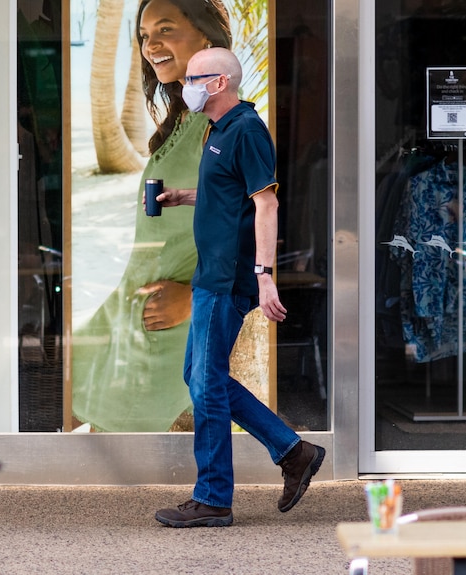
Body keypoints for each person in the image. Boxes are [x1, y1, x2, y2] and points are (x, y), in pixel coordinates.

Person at [153, 48, 325, 527]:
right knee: (200, 376)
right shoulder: (219, 129)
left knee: (206, 383)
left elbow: (266, 204)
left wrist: (264, 275)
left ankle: (213, 498)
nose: (183, 83)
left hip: (228, 277)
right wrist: (187, 196)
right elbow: (233, 194)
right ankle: (293, 451)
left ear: (218, 83)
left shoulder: (247, 129)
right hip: (212, 273)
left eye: (192, 77)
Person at [72, 0, 232, 432]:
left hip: (174, 321)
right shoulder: (184, 119)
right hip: (131, 313)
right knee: (63, 382)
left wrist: (193, 300)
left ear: (205, 37)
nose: (151, 45)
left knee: (123, 457)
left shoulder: (220, 126)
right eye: (144, 35)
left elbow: (255, 232)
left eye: (164, 30)